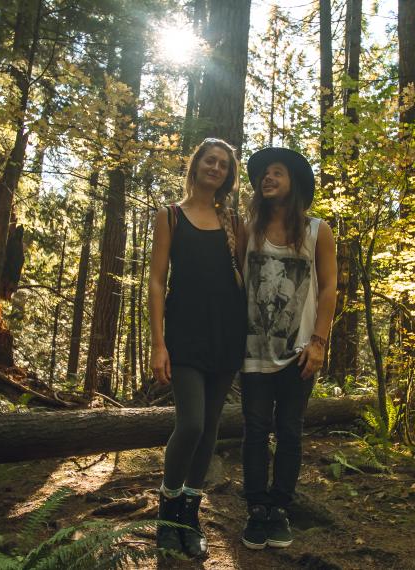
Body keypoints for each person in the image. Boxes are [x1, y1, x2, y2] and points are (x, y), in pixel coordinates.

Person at [148, 138, 247, 559]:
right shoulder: (170, 216)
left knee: (209, 428)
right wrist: (158, 343)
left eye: (224, 164)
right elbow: (156, 281)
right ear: (196, 165)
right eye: (210, 160)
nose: (216, 167)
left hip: (227, 333)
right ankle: (167, 512)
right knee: (190, 424)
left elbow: (250, 274)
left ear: (229, 175)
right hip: (184, 334)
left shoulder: (234, 221)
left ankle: (190, 515)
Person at [239, 147, 337, 550]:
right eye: (264, 173)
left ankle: (279, 508)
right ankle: (256, 509)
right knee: (255, 430)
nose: (268, 177)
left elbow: (329, 288)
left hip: (299, 351)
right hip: (253, 351)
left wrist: (319, 342)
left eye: (277, 172)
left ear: (293, 182)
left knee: (290, 431)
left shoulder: (317, 231)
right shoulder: (248, 229)